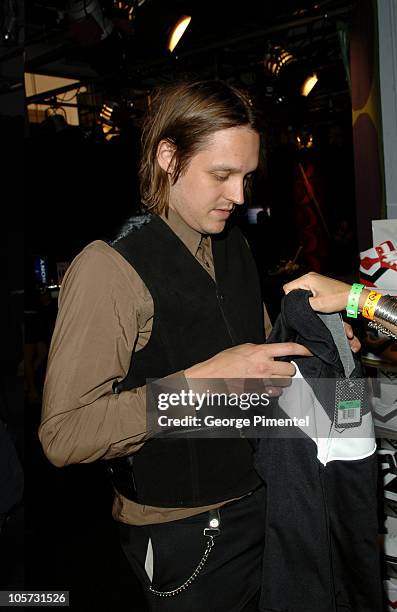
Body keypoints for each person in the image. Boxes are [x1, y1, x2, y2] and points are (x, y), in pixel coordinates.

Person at [39, 80, 319, 612]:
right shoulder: (109, 269)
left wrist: (310, 338)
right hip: (184, 534)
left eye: (246, 177)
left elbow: (252, 373)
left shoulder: (232, 245)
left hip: (262, 502)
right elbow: (63, 434)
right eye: (221, 175)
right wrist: (199, 387)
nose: (239, 196)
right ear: (169, 157)